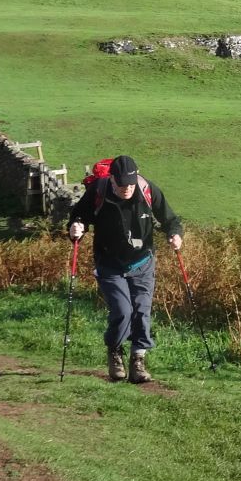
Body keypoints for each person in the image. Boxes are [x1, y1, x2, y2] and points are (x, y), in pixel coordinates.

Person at [68, 154, 182, 382]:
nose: (127, 188)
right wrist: (76, 228)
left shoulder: (147, 190)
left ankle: (138, 361)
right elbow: (79, 217)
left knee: (141, 311)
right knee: (122, 310)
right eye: (121, 184)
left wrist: (175, 235)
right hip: (109, 263)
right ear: (111, 179)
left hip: (142, 262)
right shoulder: (99, 191)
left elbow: (170, 219)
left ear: (136, 176)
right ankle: (114, 351)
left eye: (130, 183)